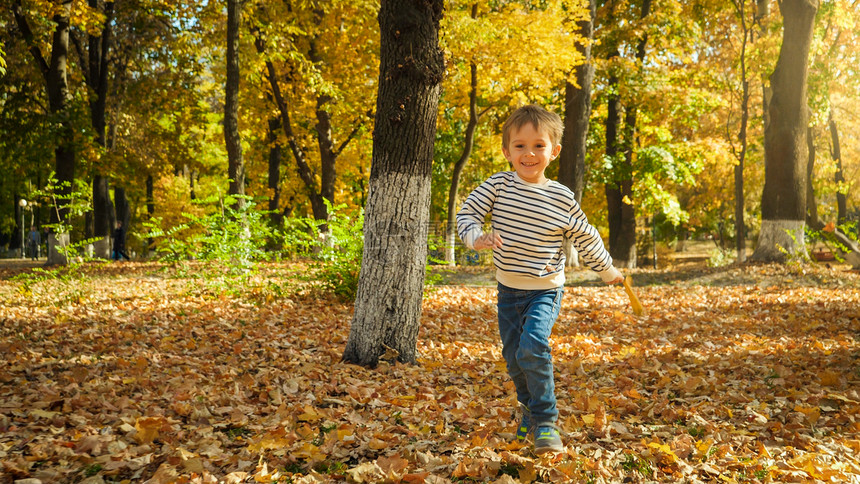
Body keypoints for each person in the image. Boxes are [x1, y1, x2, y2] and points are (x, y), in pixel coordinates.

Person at [457, 104, 624, 454]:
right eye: (519, 146)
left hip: (545, 290)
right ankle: (529, 412)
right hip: (508, 289)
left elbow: (586, 235)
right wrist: (476, 237)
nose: (529, 153)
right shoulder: (498, 185)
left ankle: (547, 421)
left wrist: (607, 270)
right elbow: (468, 212)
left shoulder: (561, 197)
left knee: (533, 347)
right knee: (514, 357)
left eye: (538, 145)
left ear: (554, 151)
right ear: (507, 151)